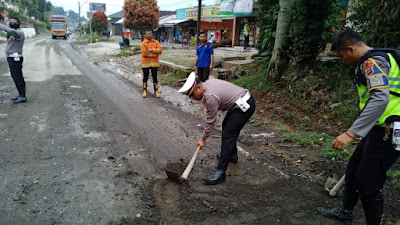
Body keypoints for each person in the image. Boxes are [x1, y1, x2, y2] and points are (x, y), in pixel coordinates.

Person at [317, 30, 400, 225]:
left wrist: (351, 133)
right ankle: (345, 211)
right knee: (354, 169)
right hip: (378, 127)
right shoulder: (380, 58)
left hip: (389, 130)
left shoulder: (372, 62)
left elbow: (380, 97)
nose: (343, 60)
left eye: (341, 55)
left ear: (350, 49)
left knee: (368, 182)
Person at [178, 72, 256, 185]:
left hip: (245, 106)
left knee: (229, 134)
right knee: (226, 127)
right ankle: (232, 155)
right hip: (240, 103)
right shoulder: (208, 83)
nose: (193, 99)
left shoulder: (210, 96)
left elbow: (210, 121)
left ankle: (220, 172)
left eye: (192, 95)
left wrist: (203, 138)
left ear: (198, 87)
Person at [0, 10, 26, 104]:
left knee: (17, 77)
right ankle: (21, 95)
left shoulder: (19, 33)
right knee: (16, 77)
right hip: (11, 58)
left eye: (13, 23)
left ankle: (22, 96)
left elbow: (9, 29)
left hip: (16, 59)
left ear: (18, 24)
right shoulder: (13, 30)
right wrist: (6, 18)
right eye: (10, 22)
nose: (11, 24)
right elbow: (8, 25)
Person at [140, 30, 162, 98]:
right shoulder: (143, 43)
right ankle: (144, 90)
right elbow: (144, 53)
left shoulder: (156, 42)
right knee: (145, 77)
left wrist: (152, 50)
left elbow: (160, 50)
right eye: (147, 34)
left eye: (150, 34)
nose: (149, 35)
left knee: (155, 77)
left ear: (152, 34)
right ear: (145, 35)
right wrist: (155, 55)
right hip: (145, 63)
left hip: (154, 64)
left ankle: (156, 91)